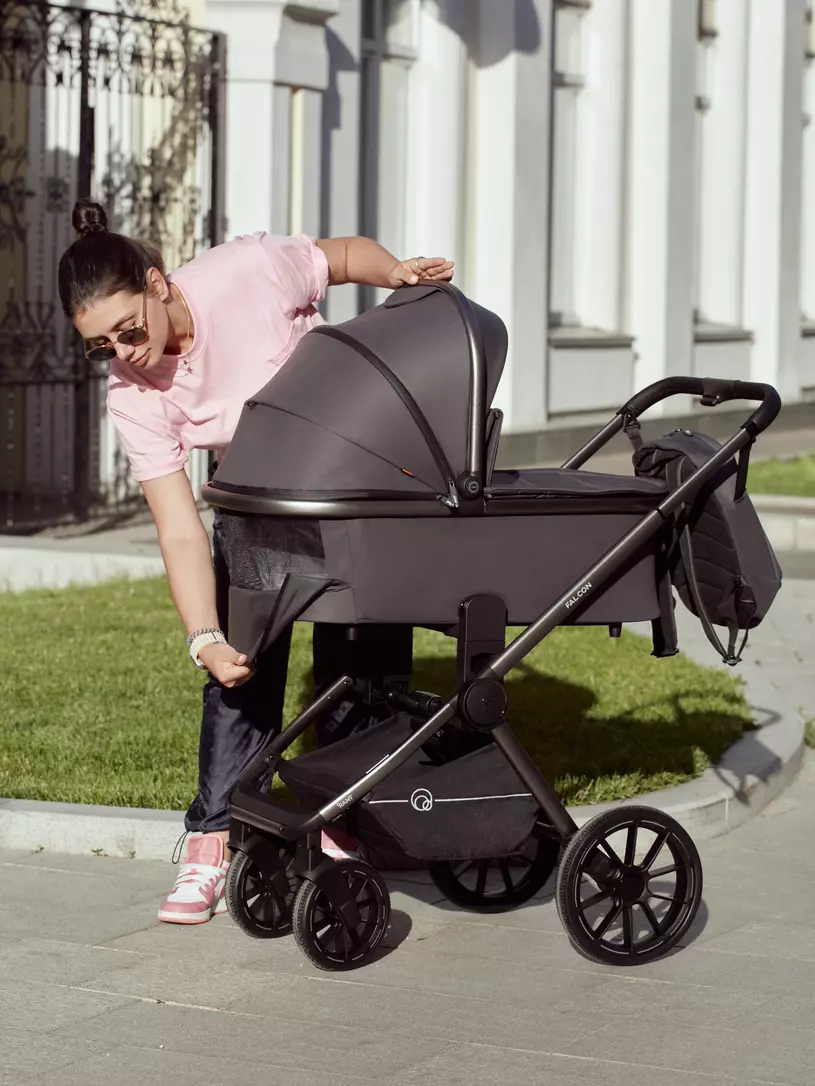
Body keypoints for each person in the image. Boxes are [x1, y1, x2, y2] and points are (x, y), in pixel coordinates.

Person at [58, 198, 454, 924]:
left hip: (355, 479)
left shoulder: (246, 271)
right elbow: (179, 527)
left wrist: (394, 270)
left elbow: (338, 257)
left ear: (158, 284)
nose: (123, 353)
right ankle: (211, 840)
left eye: (129, 330)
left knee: (356, 662)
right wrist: (203, 636)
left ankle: (339, 822)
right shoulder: (131, 397)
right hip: (256, 500)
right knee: (237, 667)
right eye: (100, 346)